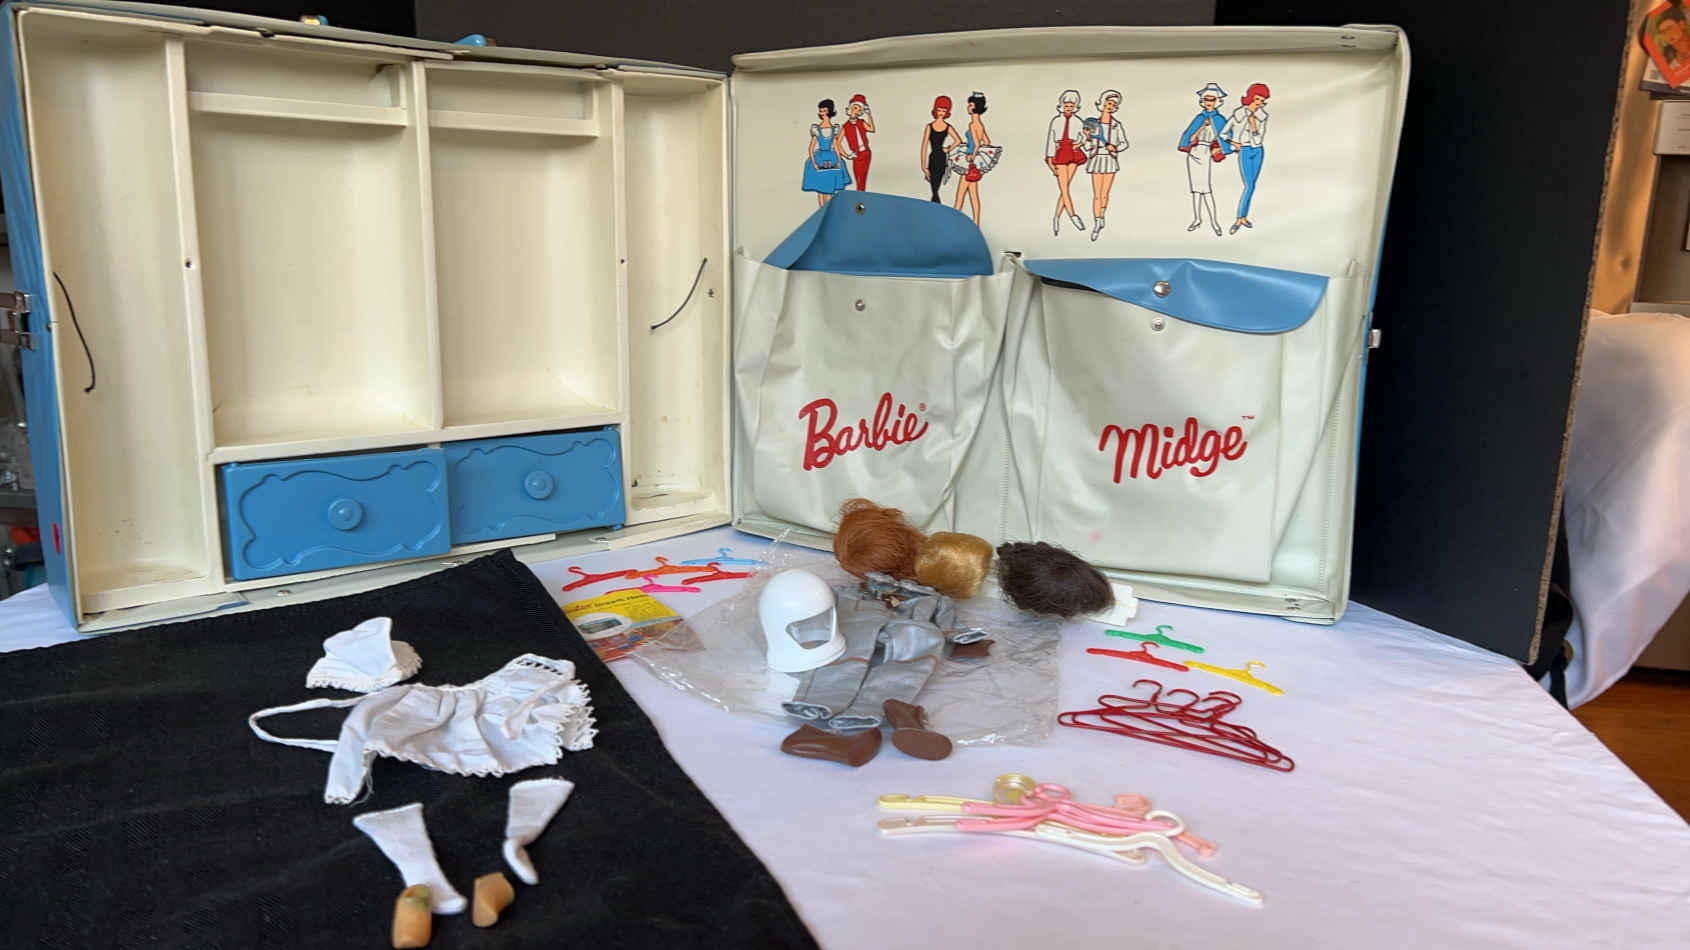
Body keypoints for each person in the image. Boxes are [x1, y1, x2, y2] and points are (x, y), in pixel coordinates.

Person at [1177, 82, 1232, 236]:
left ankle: (1214, 222)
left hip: (1206, 153)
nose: (1209, 102)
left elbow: (1226, 137)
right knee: (1196, 190)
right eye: (1206, 99)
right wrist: (1203, 126)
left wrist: (1219, 148)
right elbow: (1190, 137)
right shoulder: (1199, 118)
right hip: (1194, 153)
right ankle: (1197, 219)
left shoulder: (1220, 119)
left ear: (1217, 101)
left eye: (1212, 99)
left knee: (1206, 190)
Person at [1222, 82, 1270, 234]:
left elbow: (1259, 138)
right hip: (1245, 150)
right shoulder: (1239, 113)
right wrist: (1233, 143)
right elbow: (1223, 133)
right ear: (1250, 97)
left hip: (1258, 150)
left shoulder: (1262, 116)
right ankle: (1240, 218)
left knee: (1252, 186)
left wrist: (1254, 125)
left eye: (1262, 101)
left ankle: (1243, 217)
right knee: (1249, 186)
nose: (1259, 103)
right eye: (1257, 99)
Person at [1084, 88, 1128, 242]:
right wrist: (1088, 139)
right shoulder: (1093, 124)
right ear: (1102, 104)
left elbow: (1124, 143)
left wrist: (1114, 148)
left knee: (1105, 194)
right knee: (1097, 194)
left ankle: (1102, 215)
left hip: (1110, 160)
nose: (1111, 106)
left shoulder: (1116, 125)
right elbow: (1087, 146)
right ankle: (1097, 222)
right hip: (1096, 159)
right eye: (1109, 103)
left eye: (1114, 105)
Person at [950, 91, 1000, 225]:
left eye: (970, 105)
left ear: (975, 107)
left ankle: (953, 221)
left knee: (960, 194)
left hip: (969, 161)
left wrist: (972, 154)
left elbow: (977, 143)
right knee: (973, 195)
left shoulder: (973, 125)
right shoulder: (980, 125)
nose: (968, 107)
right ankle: (976, 222)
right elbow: (987, 141)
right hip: (974, 162)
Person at [1045, 90, 1088, 235]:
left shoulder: (1079, 121)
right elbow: (1051, 140)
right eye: (1066, 105)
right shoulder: (1056, 121)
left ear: (1075, 107)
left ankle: (1056, 218)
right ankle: (1073, 215)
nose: (1068, 108)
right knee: (1064, 188)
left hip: (1073, 152)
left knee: (1065, 188)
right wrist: (1050, 160)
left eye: (1071, 106)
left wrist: (1079, 144)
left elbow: (1085, 138)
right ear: (1062, 105)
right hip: (1061, 153)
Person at [802, 98, 852, 206]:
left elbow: (836, 146)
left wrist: (839, 160)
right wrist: (814, 163)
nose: (823, 113)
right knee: (821, 189)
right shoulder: (817, 129)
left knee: (829, 189)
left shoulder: (834, 129)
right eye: (821, 111)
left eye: (825, 111)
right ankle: (822, 211)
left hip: (832, 157)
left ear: (830, 111)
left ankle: (828, 210)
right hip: (820, 157)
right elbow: (811, 148)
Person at [919, 95, 960, 203]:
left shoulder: (948, 127)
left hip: (942, 158)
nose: (941, 113)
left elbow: (958, 140)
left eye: (944, 110)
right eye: (939, 110)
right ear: (935, 109)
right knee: (934, 186)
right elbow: (924, 146)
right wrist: (923, 166)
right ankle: (936, 204)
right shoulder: (929, 127)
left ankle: (935, 204)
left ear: (947, 112)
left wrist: (948, 149)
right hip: (933, 158)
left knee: (936, 186)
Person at [840, 94, 875, 191]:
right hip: (857, 155)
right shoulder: (845, 126)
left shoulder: (861, 122)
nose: (856, 111)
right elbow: (837, 144)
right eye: (855, 108)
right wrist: (847, 155)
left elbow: (871, 129)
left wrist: (869, 114)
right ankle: (860, 196)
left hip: (866, 153)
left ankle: (862, 195)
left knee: (863, 179)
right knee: (859, 179)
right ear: (850, 108)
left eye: (859, 110)